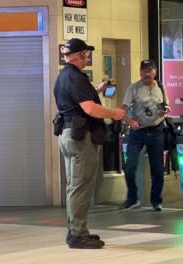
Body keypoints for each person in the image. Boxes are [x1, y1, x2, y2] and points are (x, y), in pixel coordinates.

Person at [54, 38, 126, 249]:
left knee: (74, 185)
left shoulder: (64, 76)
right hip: (80, 137)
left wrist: (97, 90)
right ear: (81, 55)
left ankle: (76, 230)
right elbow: (90, 109)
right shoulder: (75, 77)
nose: (88, 58)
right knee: (80, 185)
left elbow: (77, 101)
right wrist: (115, 113)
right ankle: (77, 233)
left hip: (68, 135)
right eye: (86, 54)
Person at [120, 59, 170, 211]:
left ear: (155, 71)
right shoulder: (133, 88)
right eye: (144, 71)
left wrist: (165, 110)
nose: (146, 74)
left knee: (158, 169)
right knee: (130, 166)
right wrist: (130, 122)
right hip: (137, 132)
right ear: (140, 71)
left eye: (150, 71)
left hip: (156, 130)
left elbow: (166, 105)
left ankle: (156, 201)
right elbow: (122, 110)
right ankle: (132, 198)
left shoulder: (161, 86)